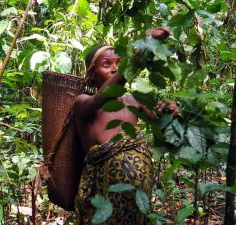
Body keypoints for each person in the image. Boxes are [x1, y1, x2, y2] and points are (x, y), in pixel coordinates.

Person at [73, 28, 179, 225]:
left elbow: (161, 123)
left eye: (118, 64)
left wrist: (169, 111)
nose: (114, 69)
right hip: (103, 198)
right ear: (91, 74)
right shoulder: (84, 103)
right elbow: (105, 94)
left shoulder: (134, 101)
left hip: (137, 201)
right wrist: (140, 51)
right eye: (107, 65)